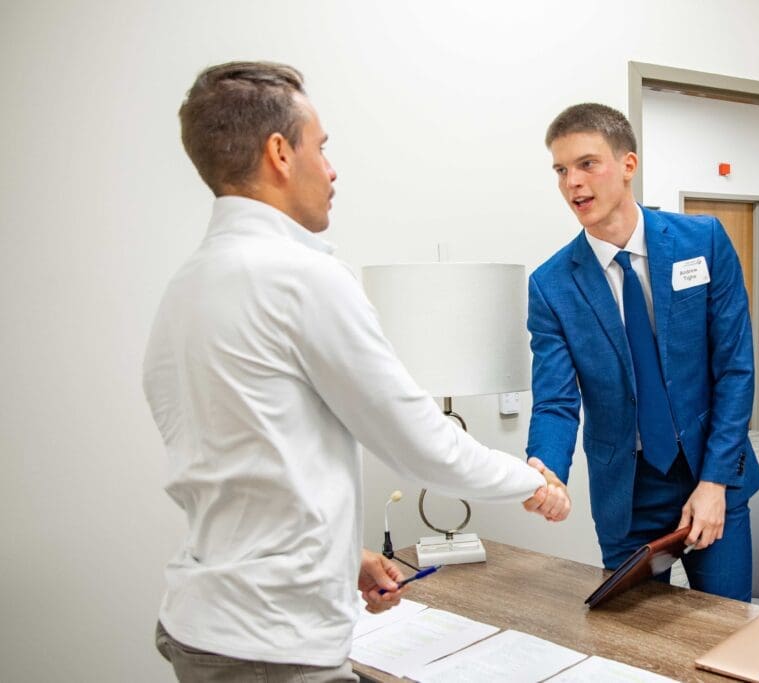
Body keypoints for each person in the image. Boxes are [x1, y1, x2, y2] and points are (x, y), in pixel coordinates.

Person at [143, 61, 570, 682]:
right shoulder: (301, 277)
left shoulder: (185, 288)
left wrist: (344, 556)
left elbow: (244, 470)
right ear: (280, 153)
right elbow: (421, 443)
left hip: (200, 624)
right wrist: (530, 481)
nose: (332, 169)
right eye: (321, 147)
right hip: (273, 646)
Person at [526, 103, 759, 601]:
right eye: (561, 170)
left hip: (710, 469)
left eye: (587, 164)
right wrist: (546, 469)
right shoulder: (551, 285)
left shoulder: (703, 242)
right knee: (634, 637)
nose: (572, 182)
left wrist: (715, 482)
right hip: (627, 493)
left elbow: (735, 370)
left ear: (628, 164)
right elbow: (556, 401)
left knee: (725, 628)